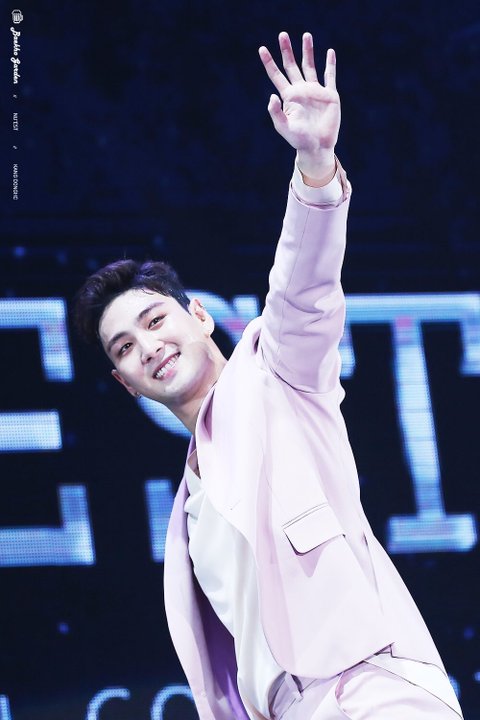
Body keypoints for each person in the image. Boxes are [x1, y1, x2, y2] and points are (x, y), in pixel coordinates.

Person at [74, 31, 463, 720]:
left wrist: (315, 165)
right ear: (125, 382)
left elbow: (303, 290)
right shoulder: (188, 510)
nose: (149, 347)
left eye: (156, 320)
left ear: (200, 315)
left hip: (368, 691)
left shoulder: (275, 372)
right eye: (126, 347)